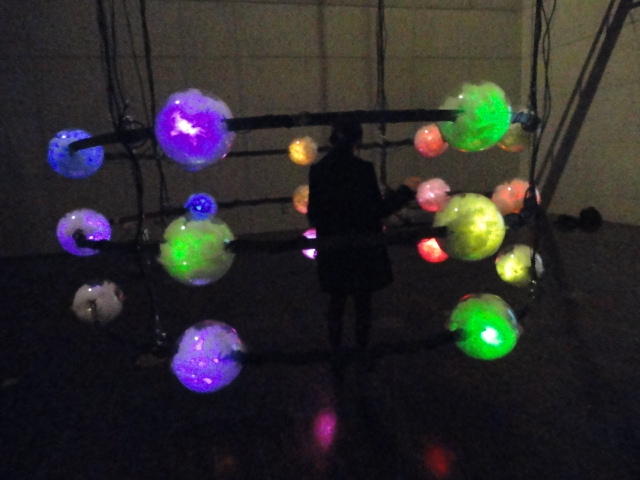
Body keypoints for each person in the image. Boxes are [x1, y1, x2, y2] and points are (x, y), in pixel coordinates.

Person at [307, 118, 420, 356]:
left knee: (336, 302)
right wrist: (405, 192)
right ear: (357, 141)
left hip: (334, 247)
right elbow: (376, 211)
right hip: (362, 248)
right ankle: (362, 352)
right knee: (362, 303)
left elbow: (314, 215)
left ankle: (336, 354)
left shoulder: (318, 171)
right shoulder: (363, 170)